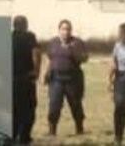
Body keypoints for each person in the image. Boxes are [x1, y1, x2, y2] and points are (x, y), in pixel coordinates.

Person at [44, 19, 88, 136]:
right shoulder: (53, 42)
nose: (66, 32)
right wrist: (46, 73)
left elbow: (84, 58)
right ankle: (52, 130)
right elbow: (50, 59)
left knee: (75, 104)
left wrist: (71, 49)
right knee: (54, 104)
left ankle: (79, 128)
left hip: (72, 79)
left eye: (68, 29)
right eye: (63, 29)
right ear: (59, 30)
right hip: (56, 79)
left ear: (71, 30)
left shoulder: (77, 42)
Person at [12, 15, 41, 145]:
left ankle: (13, 135)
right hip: (26, 78)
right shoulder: (30, 36)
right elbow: (35, 53)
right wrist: (36, 71)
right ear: (25, 25)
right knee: (29, 108)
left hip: (11, 79)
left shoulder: (8, 37)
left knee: (15, 108)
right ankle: (25, 137)